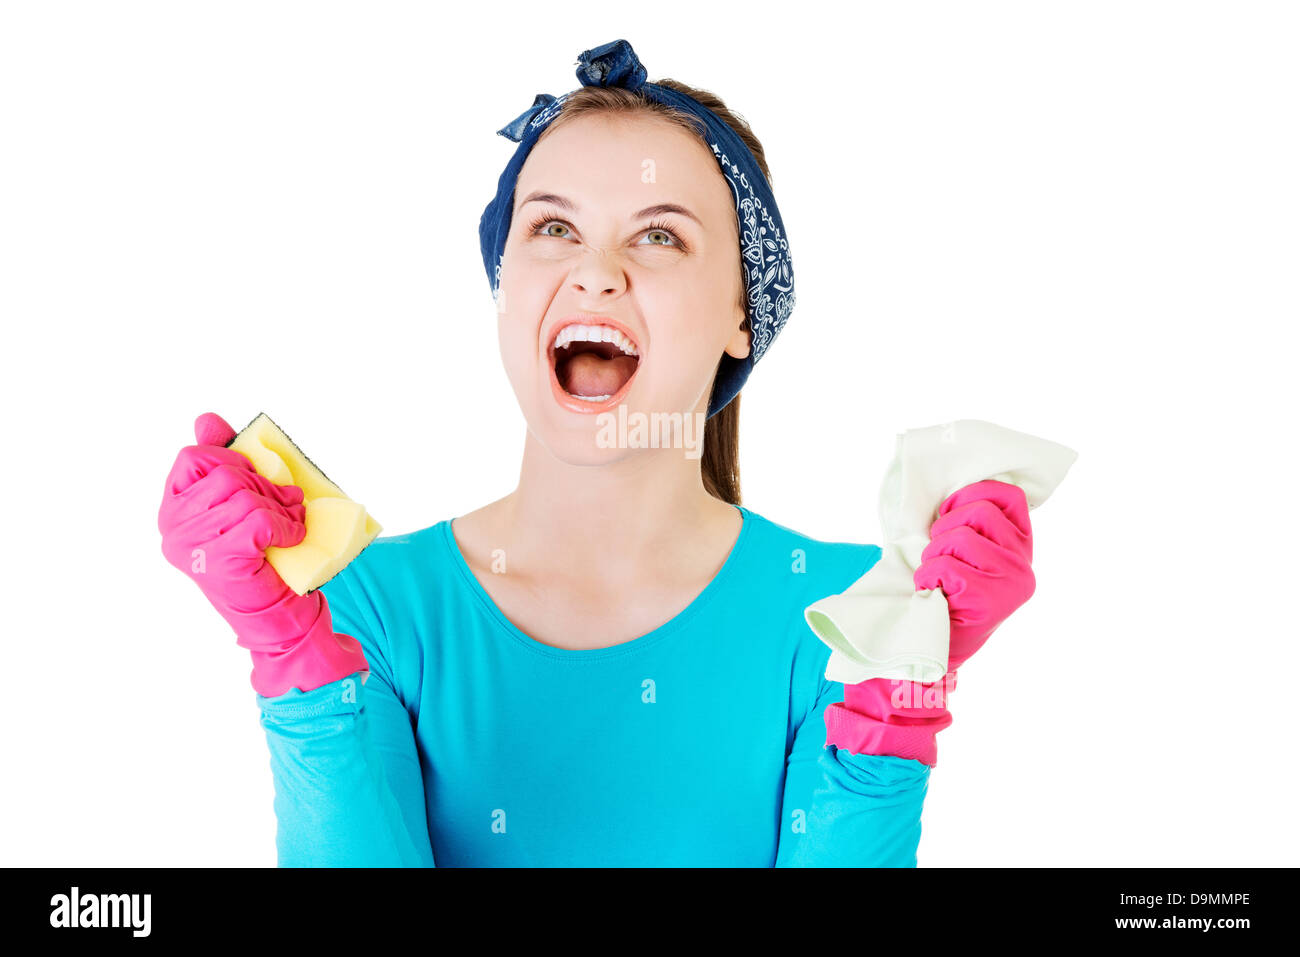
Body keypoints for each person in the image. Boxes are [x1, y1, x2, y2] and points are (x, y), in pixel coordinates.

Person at [157, 39, 1037, 867]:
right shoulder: (359, 609)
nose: (596, 269)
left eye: (660, 236)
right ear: (506, 287)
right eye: (552, 228)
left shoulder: (850, 616)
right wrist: (294, 664)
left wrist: (903, 687)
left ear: (744, 313)